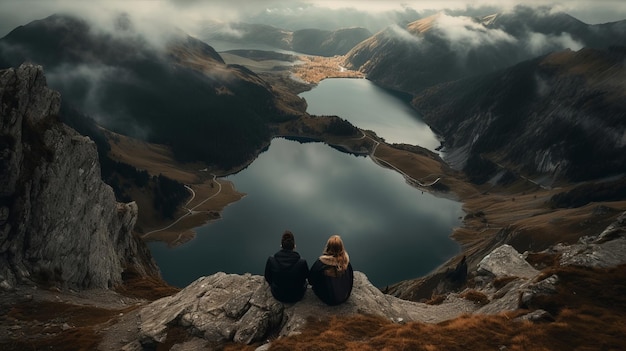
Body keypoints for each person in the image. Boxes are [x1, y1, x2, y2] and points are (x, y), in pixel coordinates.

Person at [264, 230, 309, 303]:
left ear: (281, 245)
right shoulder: (302, 262)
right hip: (297, 295)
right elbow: (306, 277)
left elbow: (267, 277)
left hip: (278, 294)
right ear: (294, 246)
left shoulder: (271, 260)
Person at [309, 235, 354, 306]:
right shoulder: (346, 263)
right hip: (344, 297)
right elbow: (351, 280)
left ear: (328, 247)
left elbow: (311, 280)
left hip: (328, 299)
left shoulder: (321, 263)